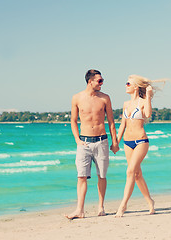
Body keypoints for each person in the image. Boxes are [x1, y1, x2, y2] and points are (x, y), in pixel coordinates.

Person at [66, 69, 119, 219]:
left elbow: (111, 121)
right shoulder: (77, 98)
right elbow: (73, 121)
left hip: (102, 141)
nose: (102, 83)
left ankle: (101, 207)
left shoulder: (105, 98)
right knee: (81, 176)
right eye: (99, 81)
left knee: (102, 175)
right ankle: (79, 210)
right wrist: (77, 140)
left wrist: (115, 141)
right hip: (84, 143)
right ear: (90, 81)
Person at [115, 74, 168, 217]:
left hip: (141, 141)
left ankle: (123, 205)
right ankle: (150, 201)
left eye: (128, 83)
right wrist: (116, 142)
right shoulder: (126, 104)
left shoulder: (144, 101)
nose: (126, 86)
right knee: (137, 175)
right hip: (127, 142)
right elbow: (122, 125)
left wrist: (149, 97)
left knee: (130, 172)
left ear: (135, 87)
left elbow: (148, 114)